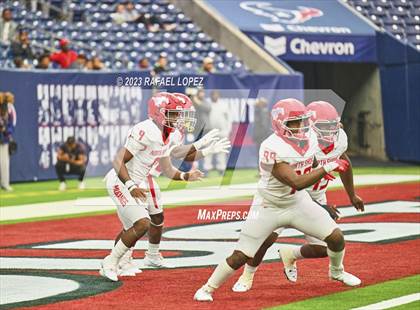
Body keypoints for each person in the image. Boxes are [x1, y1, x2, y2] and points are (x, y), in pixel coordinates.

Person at [194, 98, 361, 302]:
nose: (300, 127)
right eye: (294, 123)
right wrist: (326, 168)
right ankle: (207, 288)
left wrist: (321, 162)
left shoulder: (310, 135)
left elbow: (316, 153)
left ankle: (336, 272)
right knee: (242, 255)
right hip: (270, 205)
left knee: (335, 238)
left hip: (299, 202)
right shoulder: (271, 146)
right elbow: (296, 182)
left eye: (302, 121)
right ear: (280, 125)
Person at [101, 92, 230, 281]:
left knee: (149, 219)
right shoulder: (145, 130)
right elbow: (118, 160)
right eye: (173, 114)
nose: (178, 119)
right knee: (140, 223)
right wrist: (130, 186)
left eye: (179, 114)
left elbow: (171, 161)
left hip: (142, 181)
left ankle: (145, 257)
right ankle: (110, 262)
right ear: (159, 113)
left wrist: (201, 150)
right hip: (120, 181)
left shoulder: (172, 134)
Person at [203, 90, 232, 175]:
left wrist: (228, 130)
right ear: (211, 95)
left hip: (222, 131)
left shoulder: (224, 104)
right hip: (210, 131)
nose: (214, 96)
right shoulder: (207, 104)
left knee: (222, 150)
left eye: (216, 95)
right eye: (213, 95)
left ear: (219, 96)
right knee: (208, 150)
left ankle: (221, 169)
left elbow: (229, 118)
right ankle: (206, 169)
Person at [0, 92, 17, 191]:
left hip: (3, 139)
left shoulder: (9, 108)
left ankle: (5, 184)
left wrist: (7, 131)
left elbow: (13, 122)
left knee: (4, 162)